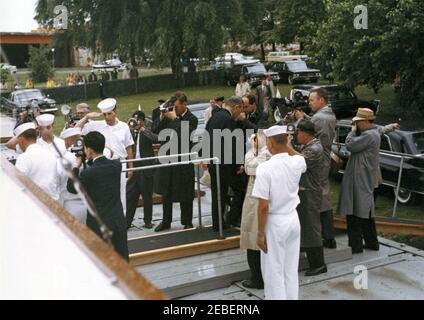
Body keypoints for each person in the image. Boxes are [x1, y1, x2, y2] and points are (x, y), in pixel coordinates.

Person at [252, 125, 306, 300]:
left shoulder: (265, 168)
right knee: (290, 269)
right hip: (292, 218)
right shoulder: (296, 162)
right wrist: (286, 146)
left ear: (269, 143)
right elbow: (301, 158)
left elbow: (263, 207)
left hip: (275, 223)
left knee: (273, 271)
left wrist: (260, 233)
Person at [67, 131, 129, 261]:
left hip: (99, 226)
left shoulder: (88, 174)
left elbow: (71, 188)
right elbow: (113, 156)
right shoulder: (116, 166)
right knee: (123, 260)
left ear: (88, 150)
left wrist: (77, 165)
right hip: (118, 222)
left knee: (102, 261)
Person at [77, 98, 135, 213]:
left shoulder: (124, 126)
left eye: (110, 114)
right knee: (104, 194)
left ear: (115, 112)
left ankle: (121, 221)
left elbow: (129, 148)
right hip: (102, 165)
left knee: (121, 195)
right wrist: (87, 117)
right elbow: (76, 130)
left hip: (119, 164)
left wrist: (131, 168)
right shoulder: (97, 125)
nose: (107, 117)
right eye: (104, 115)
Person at [206, 96, 254, 231]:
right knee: (240, 190)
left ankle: (218, 224)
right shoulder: (228, 120)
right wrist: (239, 164)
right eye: (240, 110)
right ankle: (231, 220)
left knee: (218, 194)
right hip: (225, 164)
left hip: (213, 161)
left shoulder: (214, 117)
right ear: (236, 107)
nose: (240, 114)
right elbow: (233, 144)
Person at [152, 92, 198, 232]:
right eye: (174, 107)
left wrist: (176, 119)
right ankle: (166, 221)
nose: (175, 109)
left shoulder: (192, 118)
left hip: (184, 160)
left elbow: (186, 133)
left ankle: (187, 221)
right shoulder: (168, 117)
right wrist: (161, 117)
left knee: (186, 192)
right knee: (166, 191)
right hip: (169, 158)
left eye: (177, 107)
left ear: (185, 104)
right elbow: (155, 131)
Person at [338, 108, 381, 254]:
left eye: (358, 122)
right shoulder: (374, 132)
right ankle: (372, 242)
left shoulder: (368, 135)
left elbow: (350, 145)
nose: (357, 125)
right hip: (364, 178)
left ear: (365, 121)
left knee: (354, 213)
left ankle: (356, 246)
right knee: (366, 214)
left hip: (360, 180)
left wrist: (351, 131)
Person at [294, 120, 327, 276]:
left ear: (305, 133)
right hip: (306, 191)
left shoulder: (314, 149)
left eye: (297, 132)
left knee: (311, 227)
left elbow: (299, 161)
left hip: (310, 192)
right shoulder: (310, 146)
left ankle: (318, 263)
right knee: (305, 225)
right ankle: (308, 252)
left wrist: (284, 145)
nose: (295, 136)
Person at [240, 129, 271, 290]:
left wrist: (252, 150)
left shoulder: (265, 154)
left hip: (258, 201)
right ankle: (258, 276)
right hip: (257, 200)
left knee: (254, 241)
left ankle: (258, 278)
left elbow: (251, 167)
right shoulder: (264, 152)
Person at [307, 88, 338, 249]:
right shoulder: (328, 114)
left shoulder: (319, 118)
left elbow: (310, 134)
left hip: (318, 163)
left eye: (312, 100)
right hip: (324, 160)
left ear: (321, 100)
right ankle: (329, 236)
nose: (309, 103)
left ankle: (327, 236)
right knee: (324, 197)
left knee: (319, 200)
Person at [126, 111, 158, 230]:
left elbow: (156, 139)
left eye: (138, 120)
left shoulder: (147, 130)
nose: (136, 122)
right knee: (130, 196)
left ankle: (148, 221)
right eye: (134, 120)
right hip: (134, 166)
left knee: (147, 196)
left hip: (145, 167)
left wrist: (142, 130)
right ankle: (127, 222)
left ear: (143, 121)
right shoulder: (130, 132)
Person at [14, 122, 59, 201]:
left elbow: (17, 184)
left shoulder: (24, 158)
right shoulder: (50, 154)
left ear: (21, 140)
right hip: (53, 203)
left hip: (35, 204)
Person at [57, 127, 87, 223]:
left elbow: (56, 183)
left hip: (70, 206)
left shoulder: (62, 160)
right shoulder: (90, 155)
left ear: (65, 143)